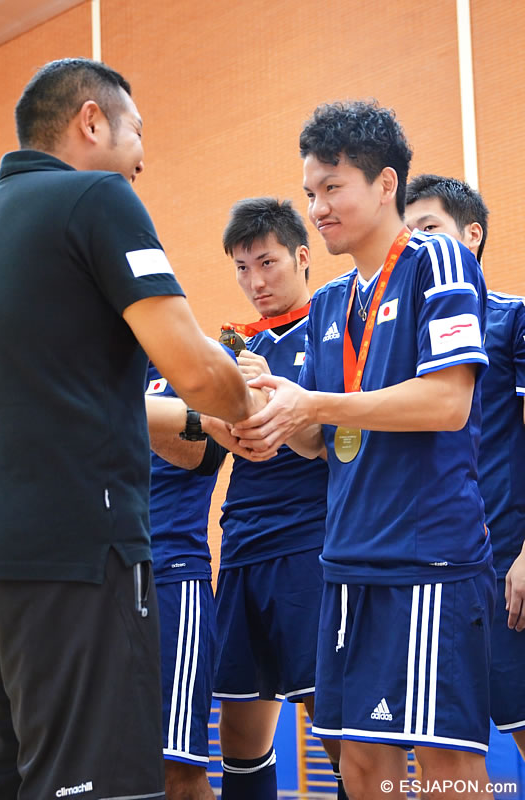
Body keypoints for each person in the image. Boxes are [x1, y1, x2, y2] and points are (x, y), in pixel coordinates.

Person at [0, 58, 263, 800]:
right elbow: (198, 372)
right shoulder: (97, 197)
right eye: (138, 132)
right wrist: (253, 406)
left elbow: (61, 390)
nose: (143, 156)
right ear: (91, 120)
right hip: (79, 559)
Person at [233, 102, 496, 800]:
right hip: (345, 563)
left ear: (385, 185)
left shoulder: (437, 260)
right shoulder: (329, 303)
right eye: (309, 192)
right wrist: (269, 410)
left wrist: (316, 405)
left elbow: (447, 403)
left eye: (332, 187)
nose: (317, 208)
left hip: (427, 559)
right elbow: (323, 442)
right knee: (359, 766)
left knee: (447, 770)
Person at [206, 197, 347, 800]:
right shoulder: (233, 350)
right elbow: (213, 440)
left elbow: (339, 442)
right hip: (241, 542)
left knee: (336, 728)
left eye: (267, 263)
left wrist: (277, 400)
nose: (255, 281)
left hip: (310, 543)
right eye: (242, 268)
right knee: (238, 737)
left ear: (302, 256)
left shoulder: (335, 326)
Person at [405, 174, 525, 758]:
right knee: (444, 754)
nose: (417, 246)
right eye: (408, 235)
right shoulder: (403, 338)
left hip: (509, 569)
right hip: (435, 573)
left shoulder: (512, 319)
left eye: (429, 229)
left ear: (471, 235)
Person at [145, 360, 230, 800]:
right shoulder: (84, 362)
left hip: (170, 578)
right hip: (91, 585)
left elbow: (207, 454)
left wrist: (108, 405)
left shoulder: (197, 360)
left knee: (176, 774)